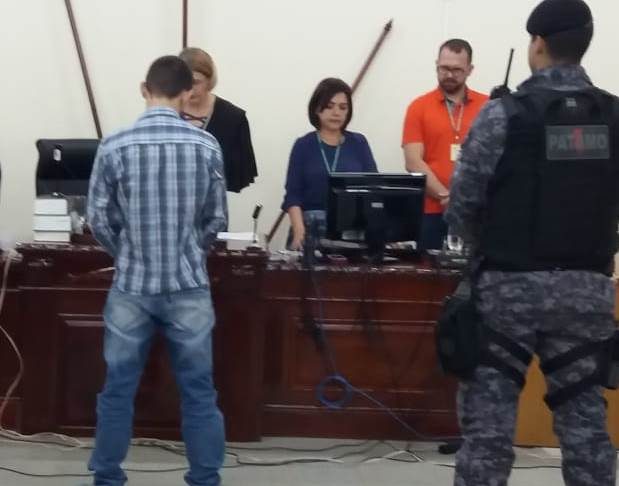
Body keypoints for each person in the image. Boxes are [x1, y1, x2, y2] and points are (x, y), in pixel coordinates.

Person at [445, 1, 619, 485]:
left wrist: (480, 252)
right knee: (586, 428)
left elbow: (463, 204)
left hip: (507, 294)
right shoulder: (612, 116)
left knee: (488, 434)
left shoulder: (503, 115)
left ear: (537, 44)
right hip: (586, 294)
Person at [86, 55, 227, 486]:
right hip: (189, 286)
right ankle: (205, 479)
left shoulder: (114, 145)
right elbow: (216, 219)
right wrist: (191, 251)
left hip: (132, 285)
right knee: (199, 391)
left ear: (144, 89)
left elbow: (98, 218)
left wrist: (127, 251)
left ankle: (107, 478)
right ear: (188, 92)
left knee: (117, 390)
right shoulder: (207, 146)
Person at [402, 39, 488, 250]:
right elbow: (413, 162)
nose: (449, 74)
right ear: (436, 65)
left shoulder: (488, 107)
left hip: (477, 213)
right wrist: (446, 198)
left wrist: (463, 202)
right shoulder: (418, 107)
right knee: (428, 270)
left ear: (470, 70)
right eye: (444, 68)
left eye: (457, 70)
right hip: (431, 213)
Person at [282, 77, 378, 250]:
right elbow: (293, 196)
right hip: (310, 228)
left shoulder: (359, 143)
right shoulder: (303, 145)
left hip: (351, 231)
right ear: (316, 109)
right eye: (329, 106)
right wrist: (299, 231)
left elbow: (374, 190)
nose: (336, 113)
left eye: (343, 107)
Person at [180, 47, 258, 194]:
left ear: (209, 81)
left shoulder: (234, 119)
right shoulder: (168, 115)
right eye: (184, 82)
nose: (189, 89)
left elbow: (237, 179)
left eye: (196, 82)